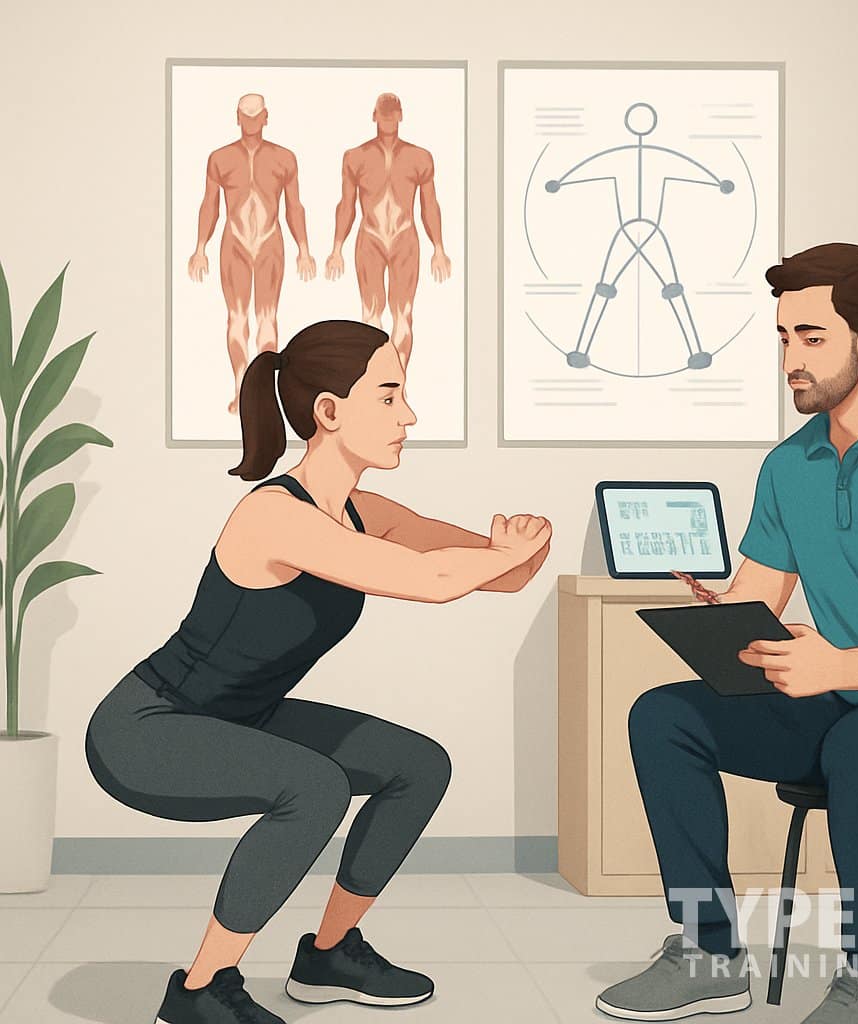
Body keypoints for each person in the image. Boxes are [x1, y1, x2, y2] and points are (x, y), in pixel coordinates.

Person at [596, 243, 858, 1023]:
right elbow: (758, 599)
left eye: (811, 337)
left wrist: (836, 663)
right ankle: (709, 950)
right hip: (839, 698)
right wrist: (726, 617)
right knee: (664, 714)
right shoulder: (790, 466)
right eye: (783, 337)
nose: (791, 357)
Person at [84, 319, 551, 1024]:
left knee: (418, 765)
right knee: (314, 785)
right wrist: (501, 554)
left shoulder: (365, 511)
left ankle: (328, 955)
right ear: (329, 412)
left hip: (246, 715)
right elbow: (433, 579)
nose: (410, 416)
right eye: (389, 397)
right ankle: (200, 992)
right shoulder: (274, 515)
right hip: (149, 726)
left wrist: (522, 547)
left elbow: (497, 577)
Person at [187, 93, 317, 415]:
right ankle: (240, 386)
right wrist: (200, 248)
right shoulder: (219, 158)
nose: (250, 122)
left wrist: (304, 249)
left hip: (271, 242)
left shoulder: (284, 158)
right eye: (245, 116)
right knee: (236, 318)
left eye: (255, 115)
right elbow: (210, 205)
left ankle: (262, 392)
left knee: (268, 319)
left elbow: (294, 206)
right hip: (235, 243)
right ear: (237, 118)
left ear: (266, 117)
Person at [324, 92, 452, 368]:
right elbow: (346, 205)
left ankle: (400, 382)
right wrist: (337, 248)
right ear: (374, 116)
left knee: (403, 314)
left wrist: (439, 248)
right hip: (370, 238)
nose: (388, 119)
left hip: (404, 238)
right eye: (384, 114)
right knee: (371, 315)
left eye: (393, 113)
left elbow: (429, 205)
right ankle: (376, 381)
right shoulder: (355, 157)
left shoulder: (420, 157)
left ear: (400, 116)